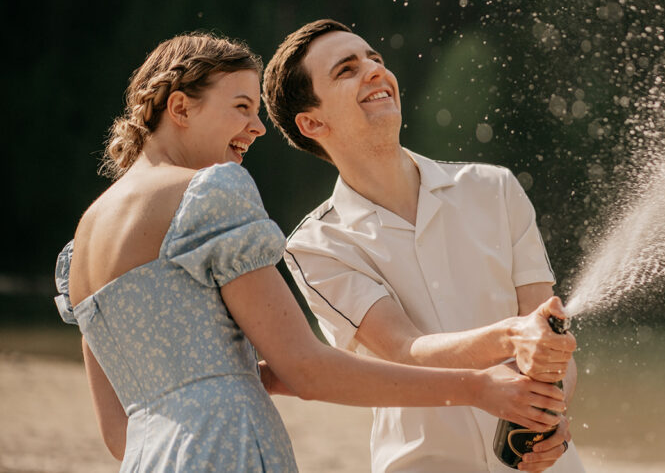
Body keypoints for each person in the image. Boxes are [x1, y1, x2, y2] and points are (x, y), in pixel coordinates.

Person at [54, 32, 565, 472]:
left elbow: (119, 431)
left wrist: (233, 378)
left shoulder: (81, 245)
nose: (256, 129)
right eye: (240, 108)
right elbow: (307, 367)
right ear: (181, 107)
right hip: (229, 450)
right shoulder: (210, 190)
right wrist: (478, 388)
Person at [262, 19, 586, 472]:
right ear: (312, 122)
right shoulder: (317, 247)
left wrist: (550, 414)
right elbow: (403, 349)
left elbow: (550, 335)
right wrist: (512, 335)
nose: (375, 70)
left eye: (375, 58)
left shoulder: (496, 188)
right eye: (347, 70)